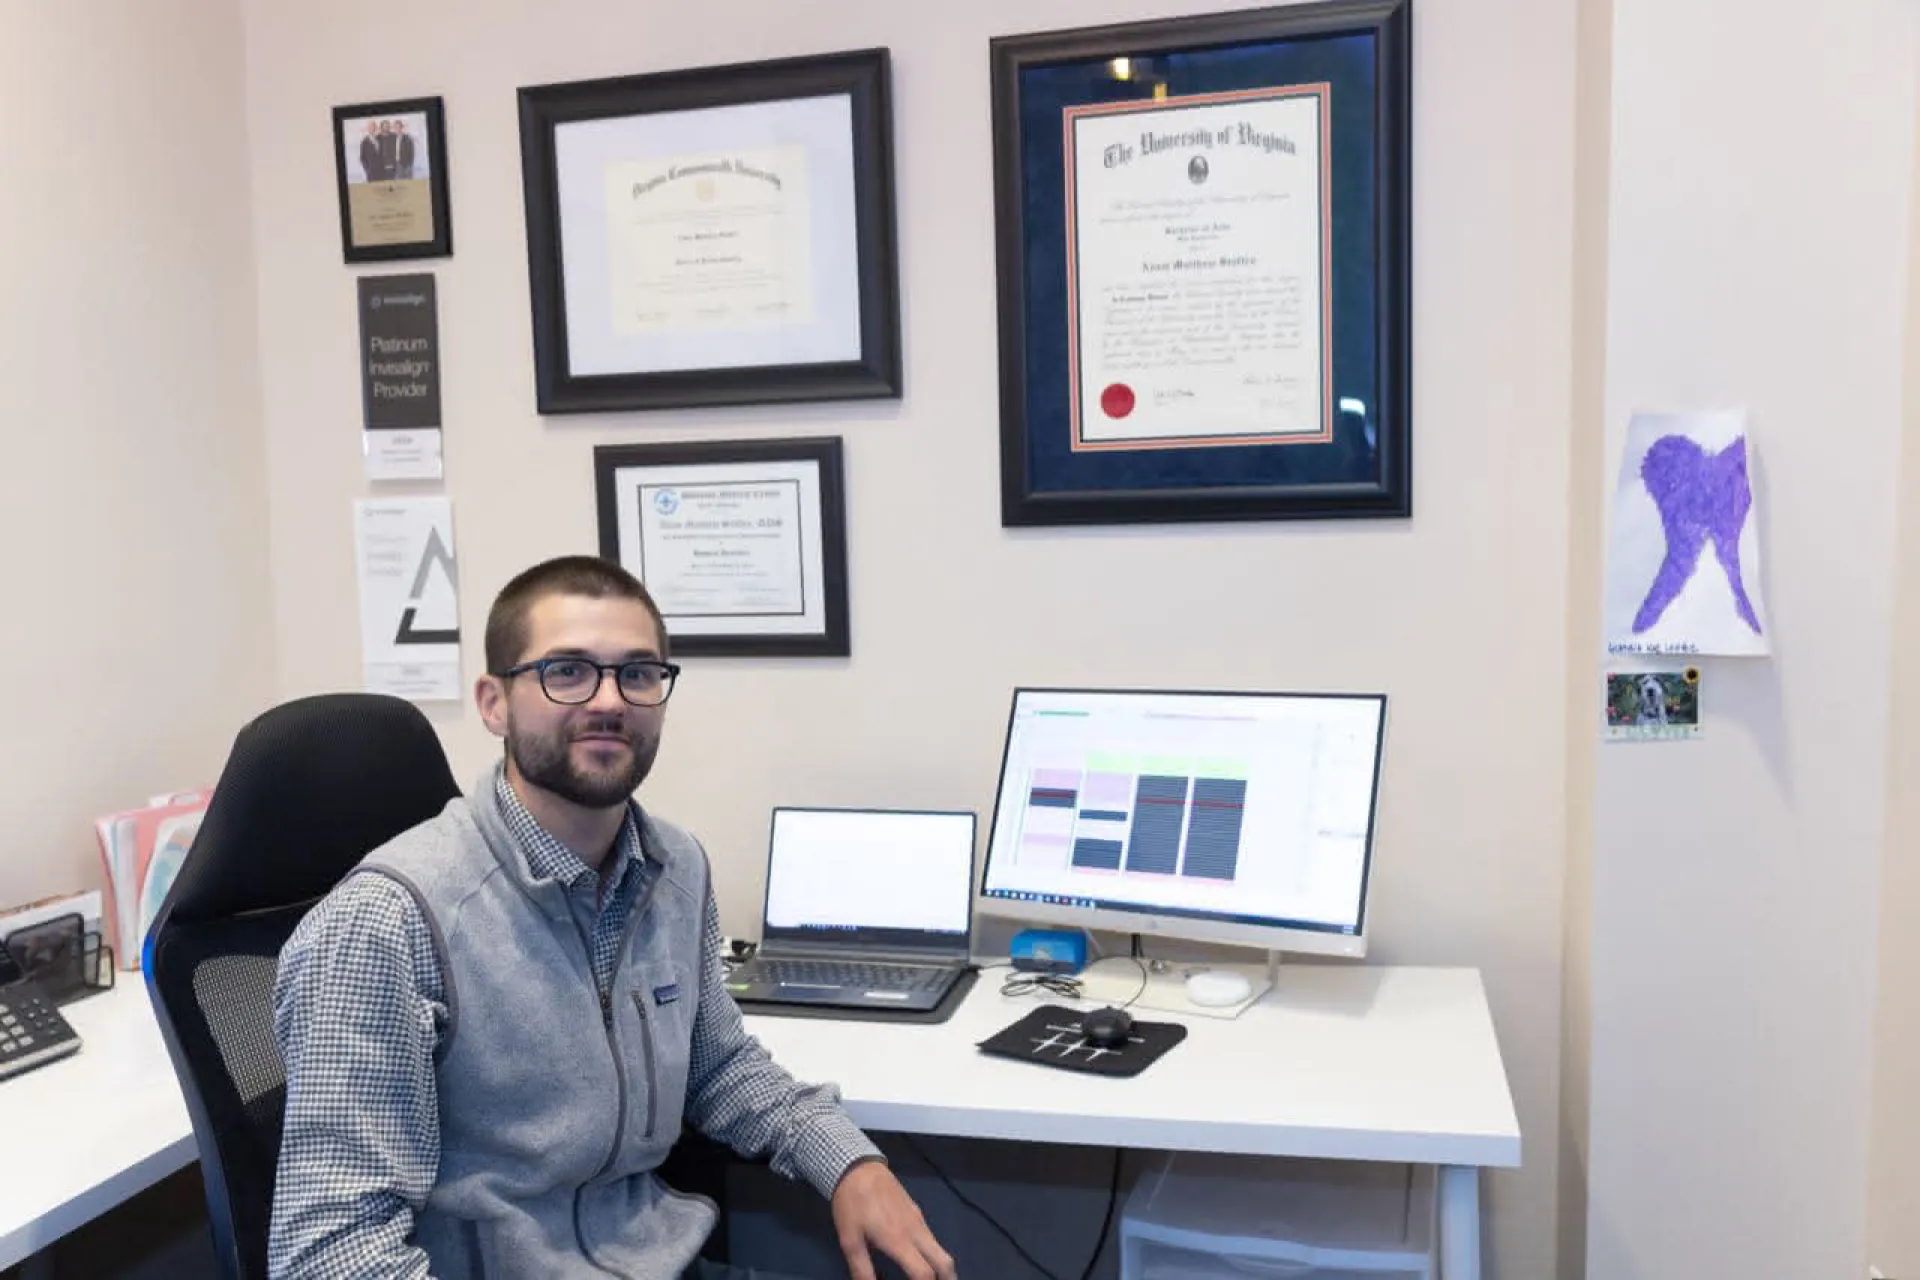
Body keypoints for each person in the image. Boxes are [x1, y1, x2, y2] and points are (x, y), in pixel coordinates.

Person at [267, 555, 957, 1280]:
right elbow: (329, 1255)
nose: (609, 700)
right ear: (494, 703)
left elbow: (717, 1065)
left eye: (638, 673)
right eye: (566, 672)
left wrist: (846, 1161)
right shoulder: (386, 921)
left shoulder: (674, 867)